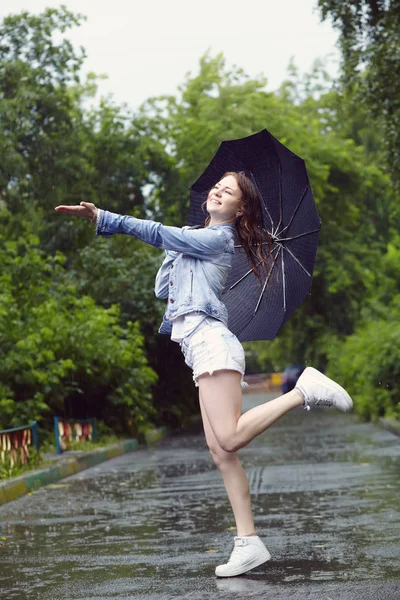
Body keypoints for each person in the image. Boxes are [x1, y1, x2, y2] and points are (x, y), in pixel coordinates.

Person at [55, 171, 353, 578]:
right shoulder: (196, 238)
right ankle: (249, 544)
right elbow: (163, 288)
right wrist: (175, 246)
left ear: (239, 208)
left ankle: (302, 391)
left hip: (212, 342)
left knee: (228, 437)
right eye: (217, 186)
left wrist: (106, 218)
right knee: (222, 453)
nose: (217, 191)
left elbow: (157, 233)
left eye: (227, 191)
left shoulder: (219, 240)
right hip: (198, 350)